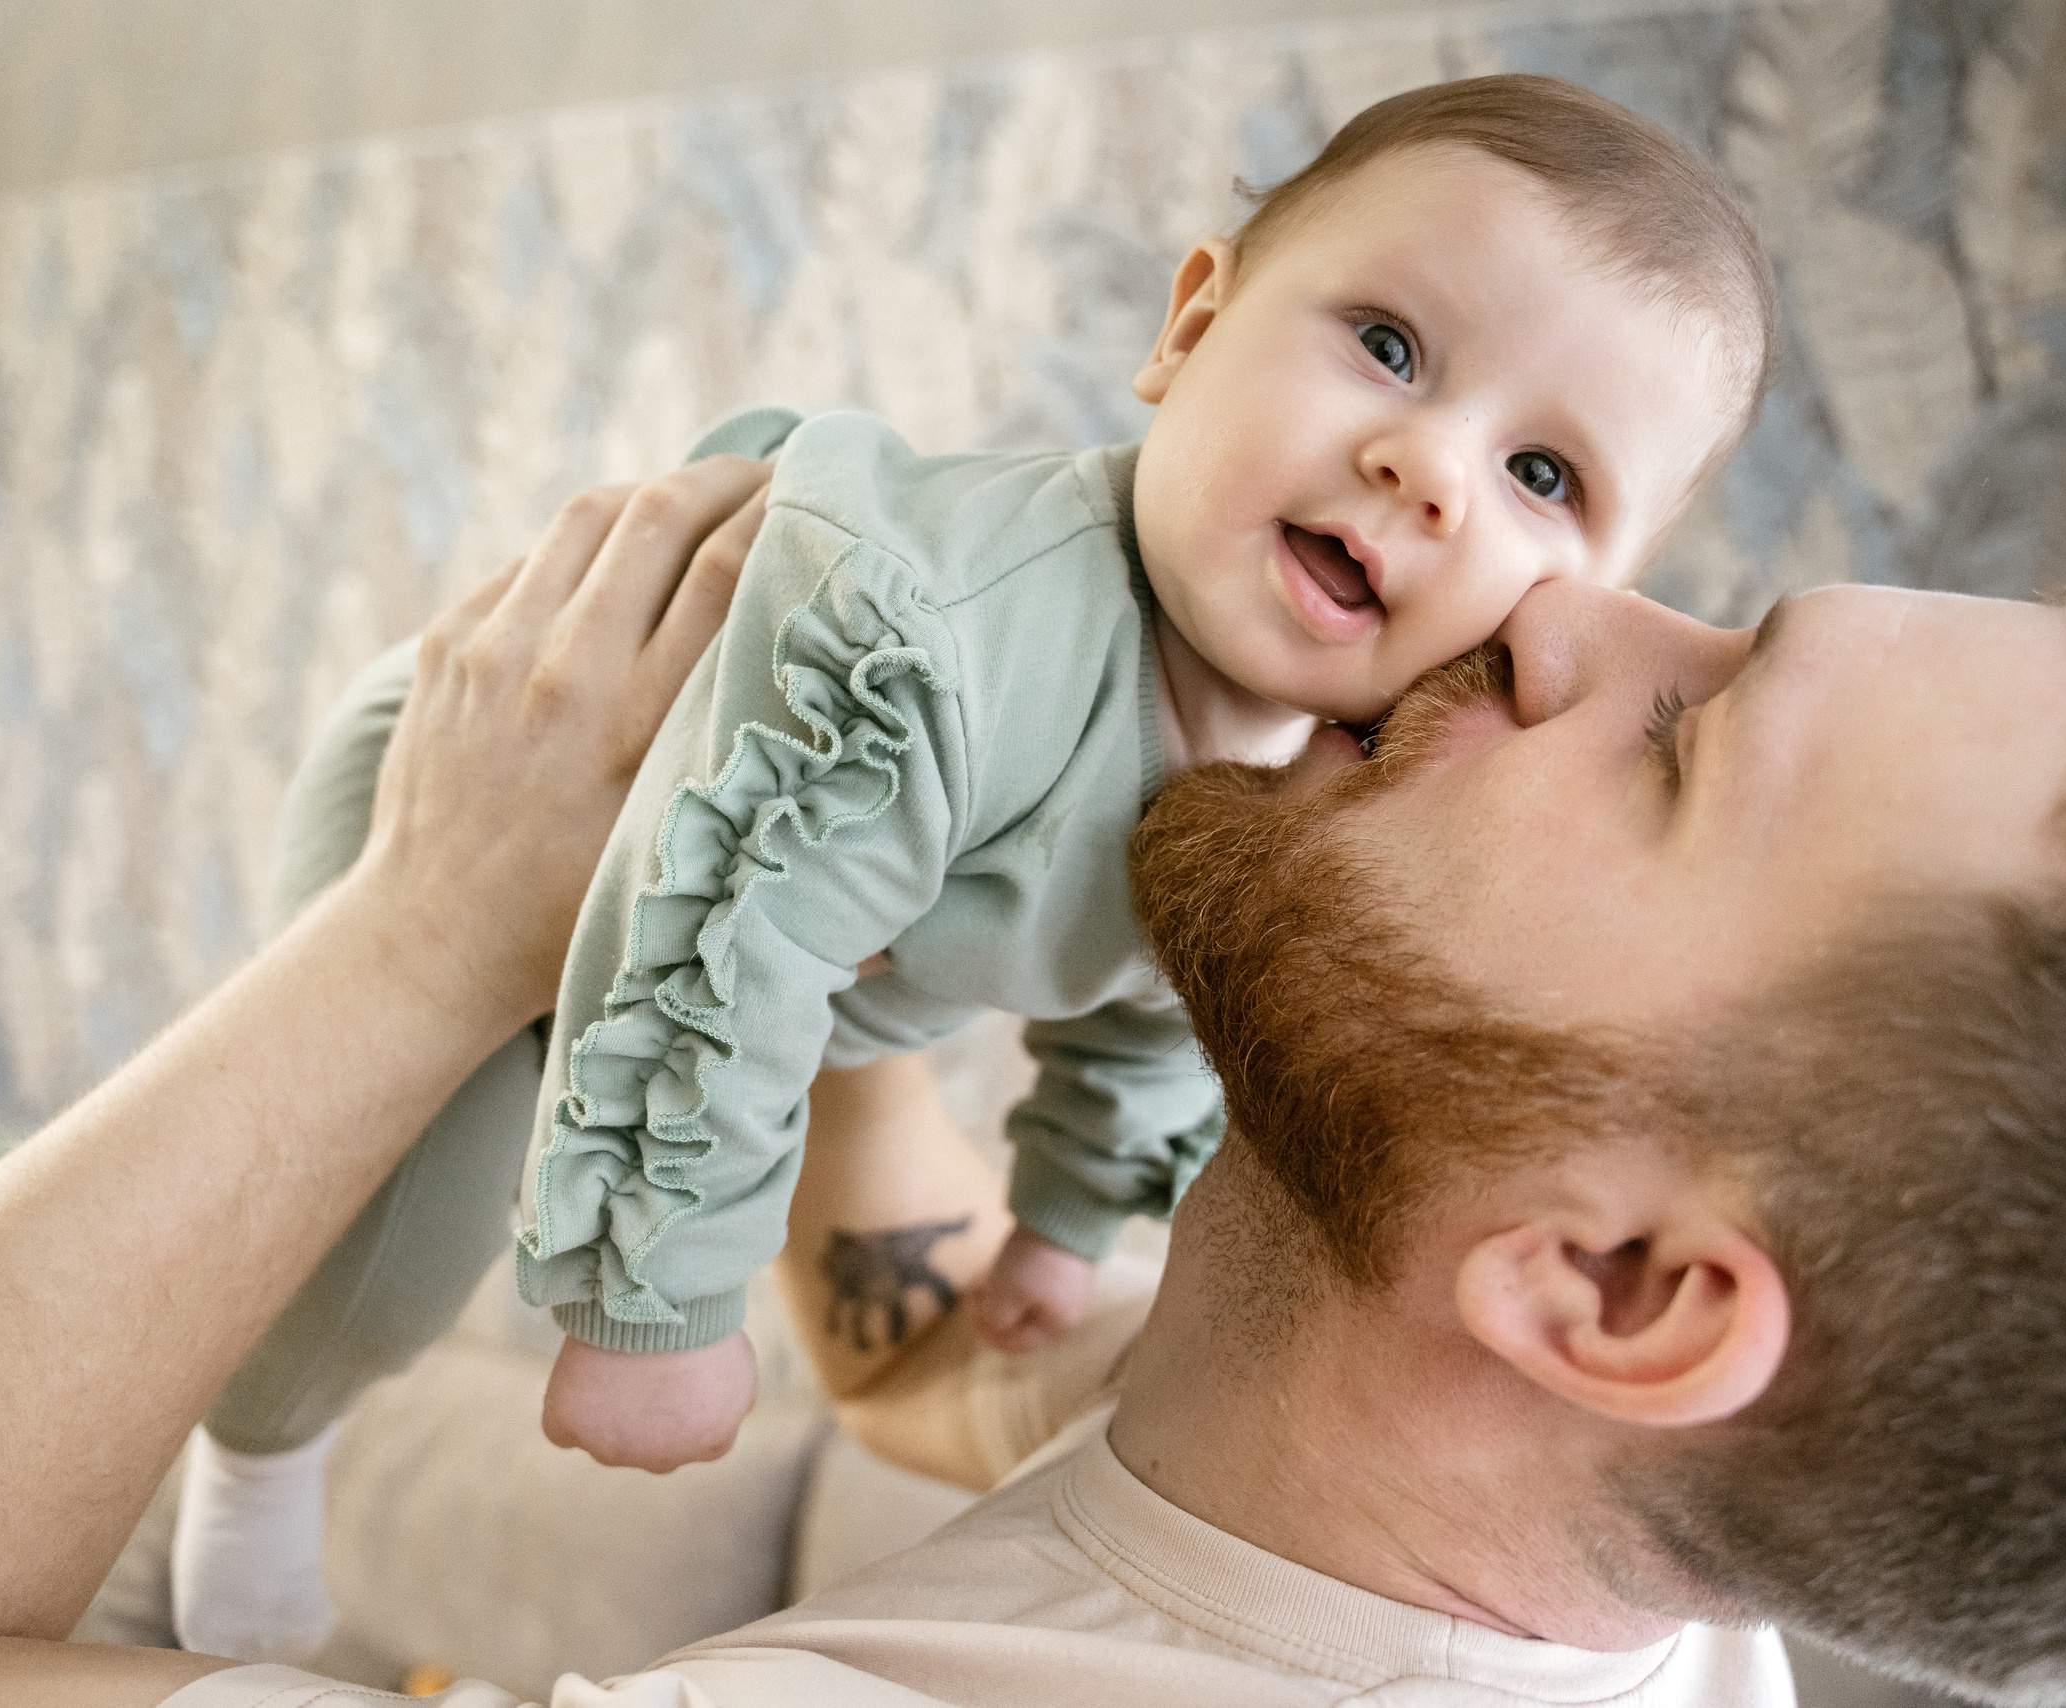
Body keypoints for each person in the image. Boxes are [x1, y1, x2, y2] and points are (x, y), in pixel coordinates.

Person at [0, 458, 2066, 1708]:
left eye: (1688, 741)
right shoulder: (1615, 1581)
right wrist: (853, 935)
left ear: (1613, 1284)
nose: (1561, 600)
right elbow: (929, 1354)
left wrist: (426, 924)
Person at [172, 73, 1783, 1662]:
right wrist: (659, 1304)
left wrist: (1062, 1224)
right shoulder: (947, 638)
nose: (1431, 467)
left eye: (1543, 476)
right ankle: (254, 1464)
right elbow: (722, 935)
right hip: (489, 813)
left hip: (725, 963)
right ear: (1192, 330)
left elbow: (1155, 1011)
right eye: (1388, 346)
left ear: (1578, 605)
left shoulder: (1297, 793)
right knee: (400, 1243)